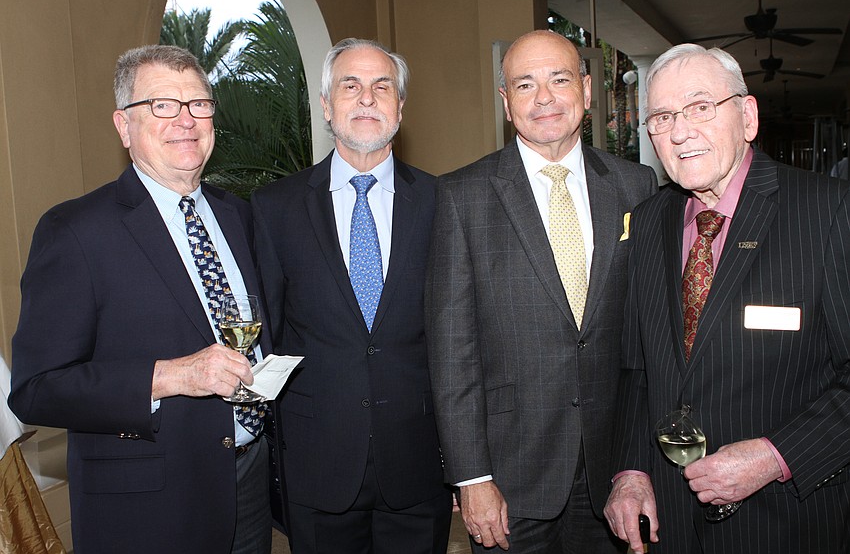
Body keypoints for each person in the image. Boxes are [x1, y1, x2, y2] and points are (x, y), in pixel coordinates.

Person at [9, 45, 272, 554]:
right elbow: (35, 389)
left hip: (248, 484)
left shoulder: (237, 215)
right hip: (148, 505)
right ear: (123, 126)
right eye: (162, 105)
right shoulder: (75, 230)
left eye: (198, 104)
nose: (186, 120)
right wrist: (172, 376)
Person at [604, 43, 850, 554]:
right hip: (671, 522)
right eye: (662, 117)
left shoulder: (828, 212)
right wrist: (630, 471)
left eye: (699, 107)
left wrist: (776, 456)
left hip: (788, 522)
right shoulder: (647, 223)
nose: (680, 132)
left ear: (748, 116)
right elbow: (636, 368)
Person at [425, 30, 657, 553]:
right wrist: (472, 478)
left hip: (612, 473)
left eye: (559, 79)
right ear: (506, 103)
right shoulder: (461, 195)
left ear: (587, 91)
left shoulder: (636, 186)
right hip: (510, 477)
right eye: (525, 84)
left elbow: (644, 339)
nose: (545, 98)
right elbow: (451, 352)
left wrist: (637, 464)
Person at [251, 38, 452, 554]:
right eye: (350, 85)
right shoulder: (274, 208)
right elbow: (267, 334)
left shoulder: (444, 202)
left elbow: (461, 336)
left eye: (382, 87)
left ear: (400, 106)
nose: (367, 98)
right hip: (316, 463)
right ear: (326, 105)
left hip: (418, 461)